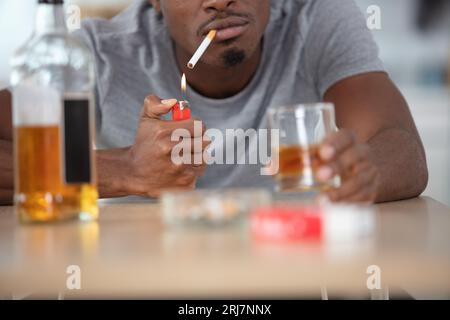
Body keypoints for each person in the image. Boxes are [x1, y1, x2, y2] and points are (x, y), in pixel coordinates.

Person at [0, 0, 428, 205]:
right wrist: (125, 170)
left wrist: (358, 171)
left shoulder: (317, 21)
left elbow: (401, 147)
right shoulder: (97, 53)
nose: (220, 1)